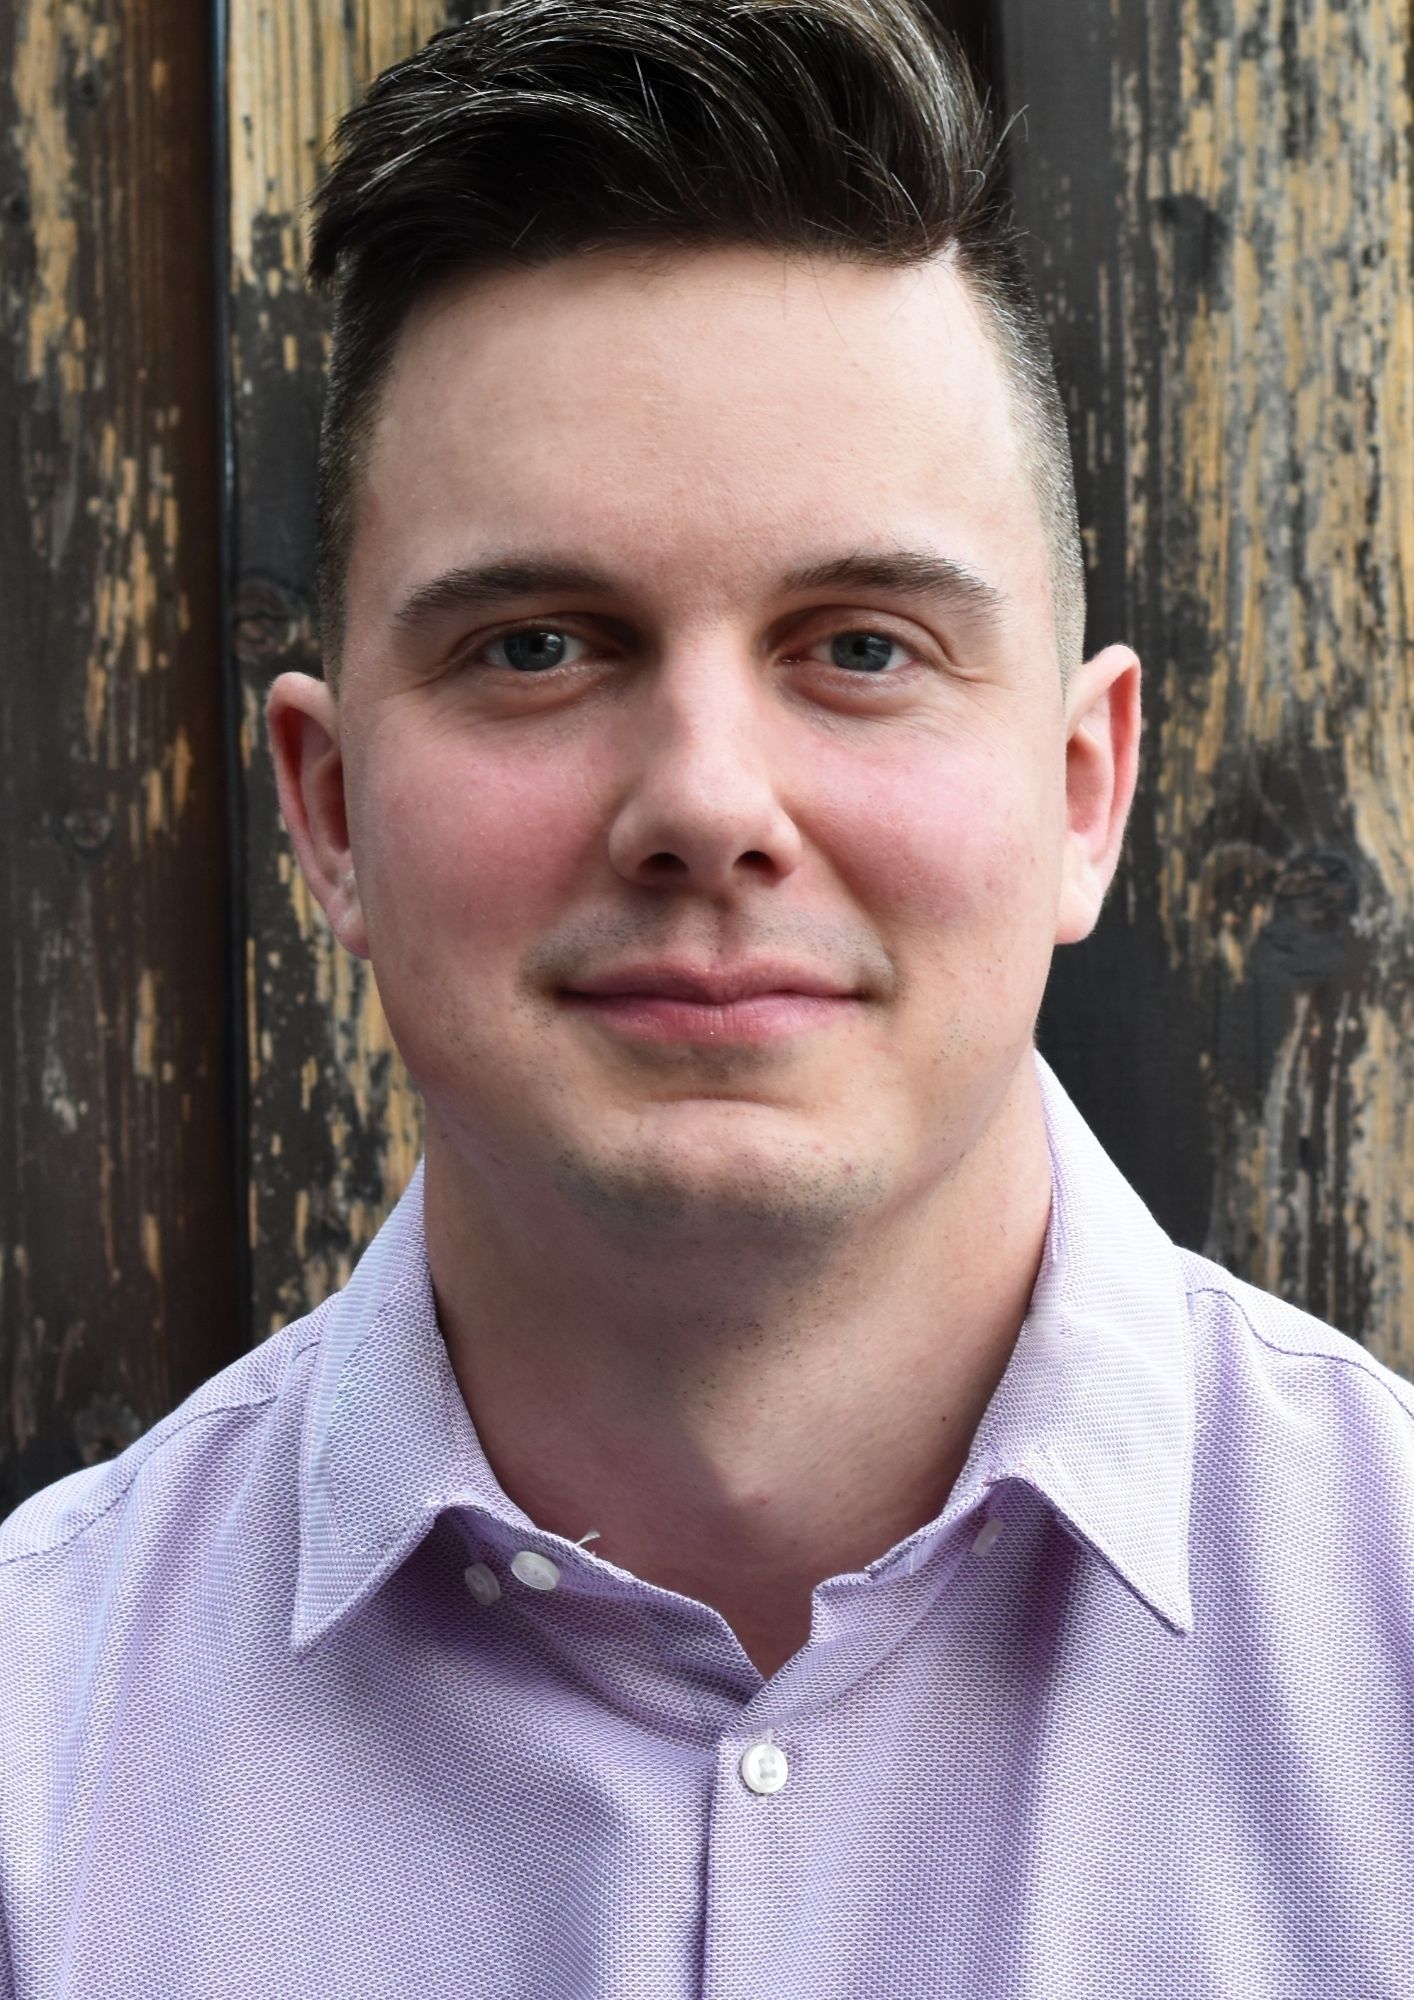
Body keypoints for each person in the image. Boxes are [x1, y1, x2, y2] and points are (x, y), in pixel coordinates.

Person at [3, 0, 1411, 1992]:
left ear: (1081, 793)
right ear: (326, 813)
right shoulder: (34, 1779)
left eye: (860, 645)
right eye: (536, 646)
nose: (706, 806)